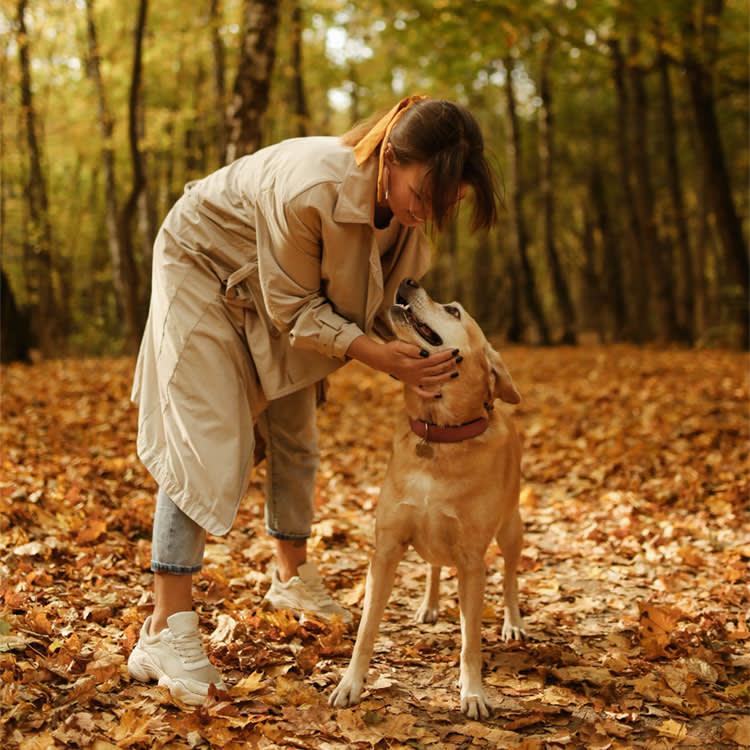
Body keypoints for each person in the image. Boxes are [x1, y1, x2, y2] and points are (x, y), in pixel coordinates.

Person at [126, 95, 501, 704]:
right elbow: (296, 308)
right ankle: (167, 627)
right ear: (391, 157)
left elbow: (387, 299)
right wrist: (376, 356)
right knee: (207, 436)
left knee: (296, 427)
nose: (431, 210)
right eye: (428, 192)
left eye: (448, 202)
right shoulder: (312, 187)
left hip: (277, 291)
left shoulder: (403, 219)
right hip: (204, 266)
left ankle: (291, 576)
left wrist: (408, 349)